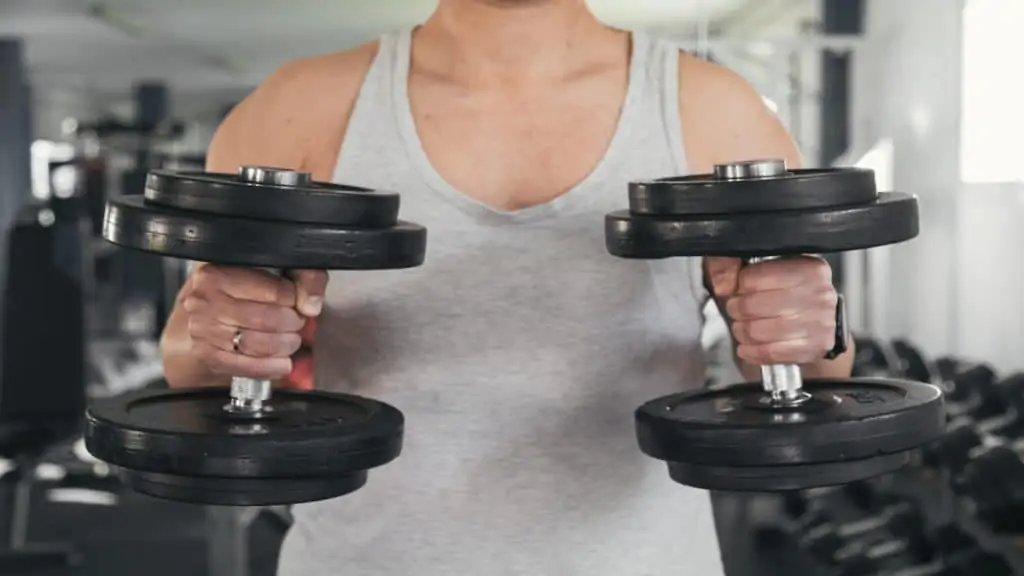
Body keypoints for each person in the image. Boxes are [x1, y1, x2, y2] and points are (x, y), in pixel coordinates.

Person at [161, 0, 855, 574]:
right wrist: (226, 335)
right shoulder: (302, 108)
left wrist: (805, 328)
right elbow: (192, 366)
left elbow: (815, 371)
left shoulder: (711, 110)